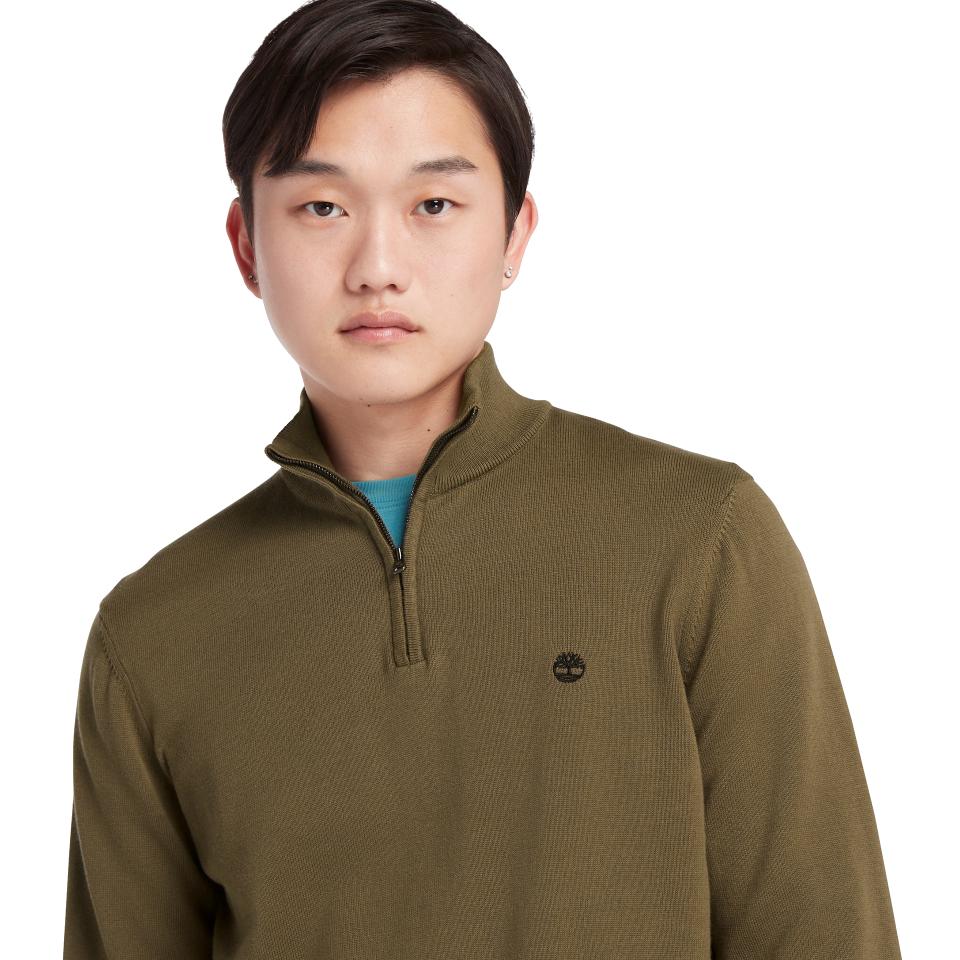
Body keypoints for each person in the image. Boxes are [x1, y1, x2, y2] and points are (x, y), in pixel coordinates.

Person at [62, 1, 903, 957]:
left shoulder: (702, 537)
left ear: (513, 234)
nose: (378, 268)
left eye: (434, 205)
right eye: (323, 207)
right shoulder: (154, 633)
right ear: (247, 244)